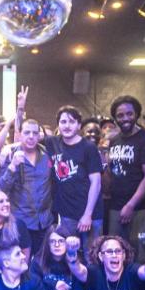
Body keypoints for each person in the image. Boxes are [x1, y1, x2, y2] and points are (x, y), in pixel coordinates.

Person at [105, 94, 145, 264]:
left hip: (141, 209)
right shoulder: (113, 141)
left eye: (129, 114)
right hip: (116, 206)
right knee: (117, 256)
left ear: (136, 114)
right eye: (120, 115)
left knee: (142, 257)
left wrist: (130, 205)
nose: (125, 118)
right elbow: (112, 171)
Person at [41, 103, 104, 248]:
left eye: (71, 121)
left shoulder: (88, 147)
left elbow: (96, 183)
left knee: (92, 256)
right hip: (67, 213)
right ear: (58, 125)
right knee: (68, 254)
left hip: (91, 214)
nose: (67, 126)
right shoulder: (52, 143)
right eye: (63, 122)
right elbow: (25, 138)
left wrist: (87, 215)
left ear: (79, 125)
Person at [0, 116, 54, 254]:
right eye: (27, 132)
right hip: (21, 221)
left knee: (42, 263)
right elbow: (2, 188)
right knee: (22, 265)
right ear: (20, 134)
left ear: (39, 135)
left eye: (35, 133)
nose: (31, 137)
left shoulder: (47, 154)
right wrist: (12, 166)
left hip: (45, 220)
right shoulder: (11, 154)